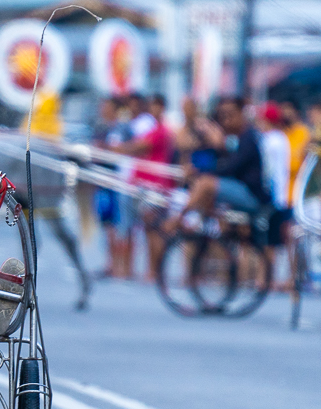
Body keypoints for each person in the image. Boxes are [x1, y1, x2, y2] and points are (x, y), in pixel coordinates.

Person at [165, 97, 267, 232]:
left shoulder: (247, 137)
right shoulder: (234, 136)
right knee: (205, 188)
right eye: (223, 115)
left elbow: (230, 167)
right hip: (237, 188)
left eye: (230, 114)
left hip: (251, 194)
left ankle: (179, 220)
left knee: (206, 184)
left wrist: (199, 171)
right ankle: (200, 229)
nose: (226, 120)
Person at [119, 93, 174, 279]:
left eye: (157, 106)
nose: (154, 110)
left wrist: (114, 148)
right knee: (147, 228)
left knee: (153, 229)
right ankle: (149, 269)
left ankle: (154, 270)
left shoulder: (161, 130)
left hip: (154, 184)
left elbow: (139, 146)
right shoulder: (154, 129)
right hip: (143, 183)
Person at [93, 97, 135, 278]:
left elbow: (126, 151)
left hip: (120, 182)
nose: (104, 110)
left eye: (107, 107)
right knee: (107, 225)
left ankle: (123, 266)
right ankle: (110, 263)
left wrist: (108, 149)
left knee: (122, 225)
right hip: (103, 182)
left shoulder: (123, 128)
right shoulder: (100, 128)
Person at [259, 102, 296, 288]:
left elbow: (267, 170)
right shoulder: (282, 138)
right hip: (284, 194)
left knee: (269, 239)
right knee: (285, 238)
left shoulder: (269, 140)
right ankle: (290, 278)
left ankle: (267, 278)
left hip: (273, 196)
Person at [280, 100, 310, 209]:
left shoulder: (304, 133)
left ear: (296, 111)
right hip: (282, 192)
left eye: (288, 109)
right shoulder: (281, 133)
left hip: (298, 192)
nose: (284, 112)